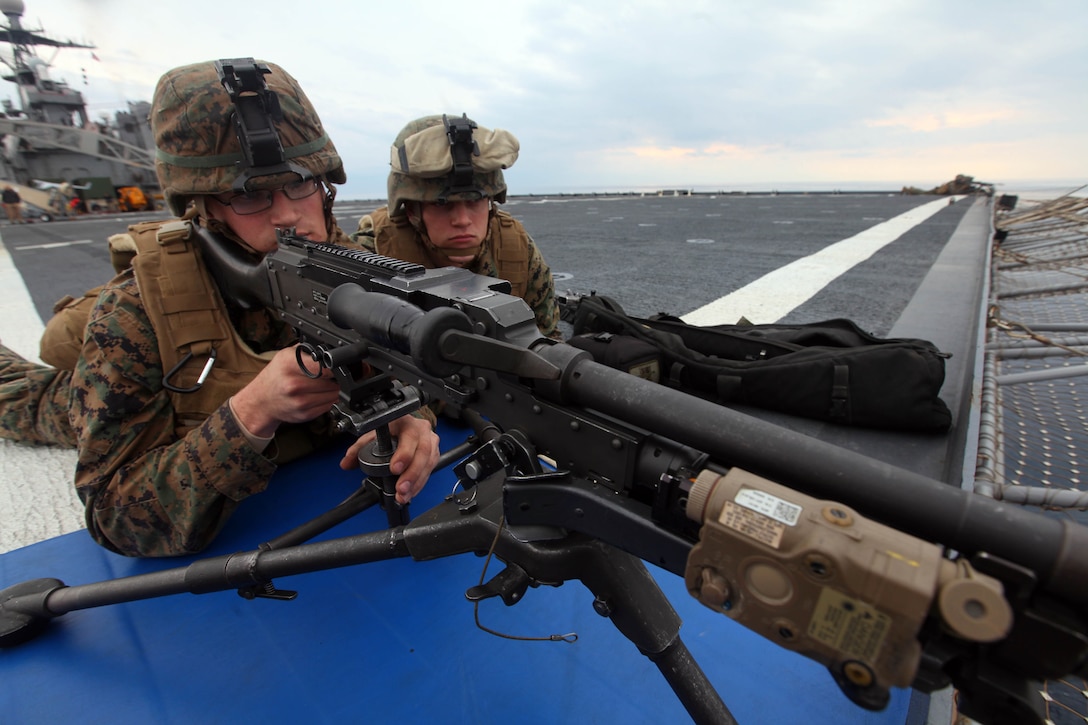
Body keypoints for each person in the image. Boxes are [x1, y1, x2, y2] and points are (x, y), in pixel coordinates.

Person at [0, 58, 440, 558]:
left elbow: (408, 376)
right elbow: (116, 517)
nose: (289, 214)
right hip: (138, 385)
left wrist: (411, 418)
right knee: (25, 398)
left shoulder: (356, 266)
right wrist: (252, 412)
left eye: (302, 183)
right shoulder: (132, 315)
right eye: (248, 196)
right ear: (203, 207)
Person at [353, 114, 561, 339]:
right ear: (413, 211)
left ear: (491, 204)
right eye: (441, 204)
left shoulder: (516, 248)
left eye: (474, 201)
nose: (462, 220)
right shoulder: (374, 252)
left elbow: (546, 337)